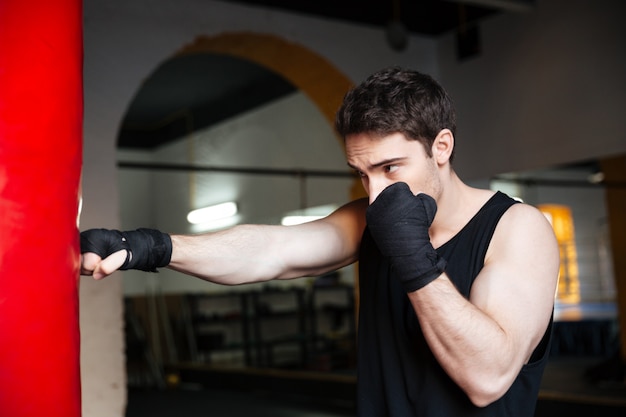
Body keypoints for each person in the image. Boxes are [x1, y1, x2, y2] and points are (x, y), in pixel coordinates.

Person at [81, 67, 559, 416]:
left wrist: (413, 255)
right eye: (361, 174)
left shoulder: (518, 228)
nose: (375, 194)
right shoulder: (369, 221)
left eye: (390, 168)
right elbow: (270, 253)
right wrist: (150, 246)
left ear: (442, 147)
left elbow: (487, 378)